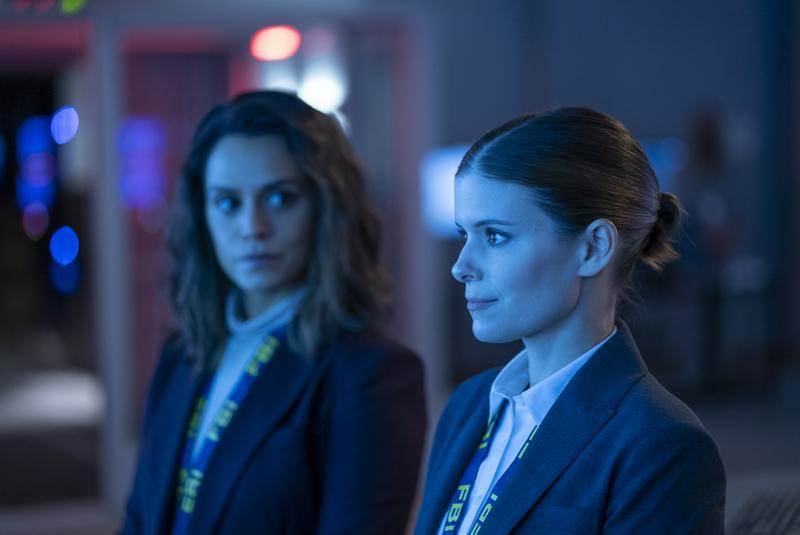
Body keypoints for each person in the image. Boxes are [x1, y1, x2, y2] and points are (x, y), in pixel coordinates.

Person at [121, 90, 426, 535]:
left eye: (281, 198)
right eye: (228, 203)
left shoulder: (370, 374)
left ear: (326, 208)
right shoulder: (183, 353)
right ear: (202, 216)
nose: (253, 227)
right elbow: (140, 518)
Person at [415, 108, 726, 534]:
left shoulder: (660, 446)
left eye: (495, 236)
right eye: (464, 234)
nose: (461, 266)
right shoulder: (469, 405)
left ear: (593, 248)